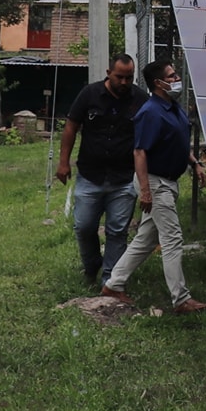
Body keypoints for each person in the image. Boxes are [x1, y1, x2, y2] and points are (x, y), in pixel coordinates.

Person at [103, 59, 206, 313]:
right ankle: (181, 299)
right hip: (155, 182)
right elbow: (140, 152)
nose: (176, 80)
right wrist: (146, 190)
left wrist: (194, 163)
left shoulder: (173, 107)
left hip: (168, 181)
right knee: (172, 239)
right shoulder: (150, 112)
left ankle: (113, 284)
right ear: (158, 83)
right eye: (171, 76)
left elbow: (176, 142)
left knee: (146, 239)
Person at [56, 54, 138, 288]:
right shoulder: (89, 94)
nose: (124, 82)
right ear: (108, 73)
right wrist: (63, 163)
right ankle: (92, 265)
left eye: (129, 78)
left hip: (123, 178)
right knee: (83, 226)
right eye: (119, 77)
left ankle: (109, 281)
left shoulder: (138, 99)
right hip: (90, 176)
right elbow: (71, 127)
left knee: (117, 231)